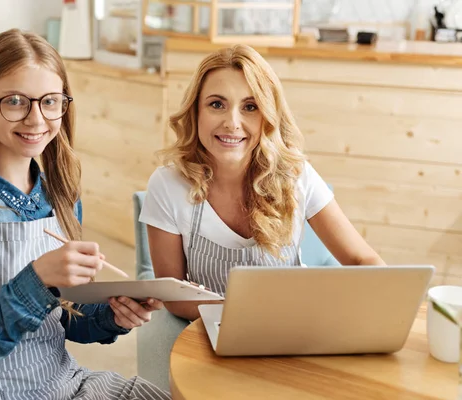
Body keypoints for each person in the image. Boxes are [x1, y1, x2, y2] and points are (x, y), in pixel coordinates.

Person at [0, 29, 170, 400]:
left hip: (67, 383)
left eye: (50, 101)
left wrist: (113, 315)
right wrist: (38, 279)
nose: (36, 119)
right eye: (15, 101)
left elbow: (67, 321)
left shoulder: (61, 197)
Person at [139, 44, 385, 322]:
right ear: (196, 111)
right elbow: (174, 296)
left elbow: (362, 260)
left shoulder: (296, 175)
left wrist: (389, 301)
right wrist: (246, 313)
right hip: (213, 332)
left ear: (268, 116)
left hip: (296, 325)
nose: (232, 123)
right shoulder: (167, 185)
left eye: (250, 107)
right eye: (217, 104)